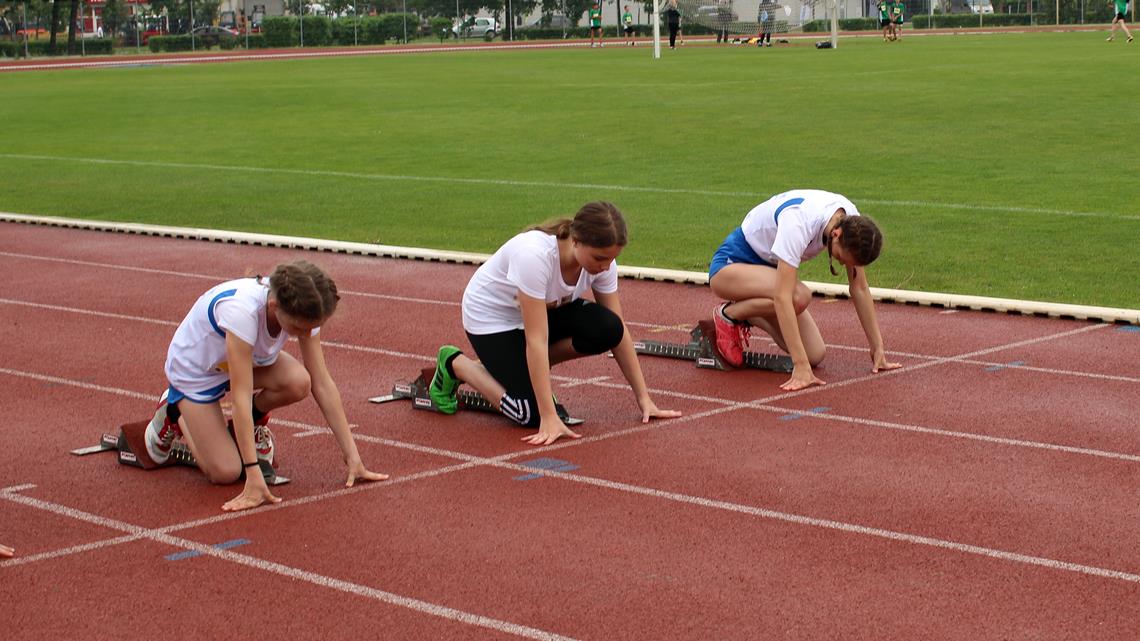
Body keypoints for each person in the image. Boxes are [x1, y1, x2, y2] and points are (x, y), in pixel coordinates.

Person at [428, 202, 681, 446]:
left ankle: (514, 366)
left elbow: (619, 330)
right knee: (529, 414)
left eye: (611, 259)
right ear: (575, 241)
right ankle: (456, 364)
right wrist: (548, 416)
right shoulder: (534, 257)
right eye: (599, 258)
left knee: (608, 328)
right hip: (491, 320)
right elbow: (536, 339)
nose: (604, 267)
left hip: (538, 315)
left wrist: (644, 399)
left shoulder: (603, 265)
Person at [145, 260, 388, 512]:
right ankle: (174, 412)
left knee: (299, 382)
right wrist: (252, 475)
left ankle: (246, 426)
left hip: (240, 362)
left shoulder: (307, 310)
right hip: (196, 373)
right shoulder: (242, 313)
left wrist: (352, 454)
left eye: (312, 328)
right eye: (298, 328)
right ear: (274, 306)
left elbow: (321, 381)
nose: (305, 334)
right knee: (226, 472)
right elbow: (239, 396)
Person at [708, 190, 902, 391]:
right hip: (730, 267)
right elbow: (782, 297)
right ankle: (728, 315)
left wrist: (877, 347)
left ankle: (748, 314)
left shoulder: (852, 222)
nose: (842, 263)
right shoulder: (799, 223)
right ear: (837, 234)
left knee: (814, 354)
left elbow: (859, 287)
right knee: (798, 297)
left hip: (767, 273)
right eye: (842, 258)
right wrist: (800, 367)